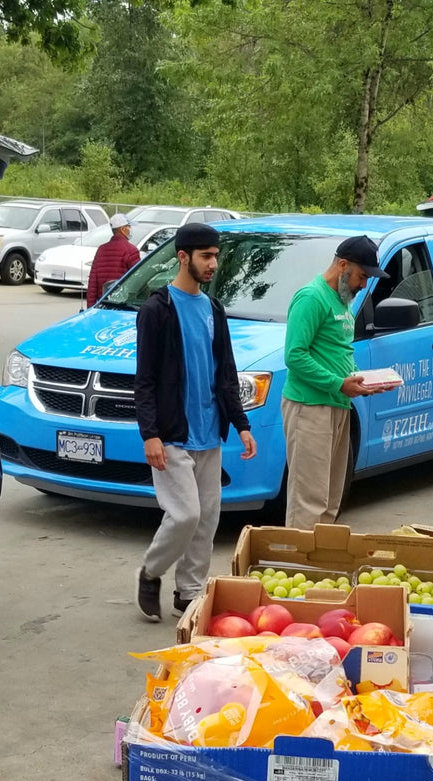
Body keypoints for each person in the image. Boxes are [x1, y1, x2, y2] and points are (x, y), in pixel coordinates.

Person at [134, 222, 257, 621]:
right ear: (182, 257)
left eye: (216, 256)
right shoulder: (157, 310)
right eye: (205, 256)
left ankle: (188, 593)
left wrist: (241, 424)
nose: (213, 263)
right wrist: (150, 433)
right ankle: (151, 572)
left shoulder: (213, 309)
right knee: (185, 514)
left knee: (207, 518)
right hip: (172, 434)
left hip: (210, 432)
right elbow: (145, 379)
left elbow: (226, 372)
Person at [281, 235, 390, 530]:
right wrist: (339, 383)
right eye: (361, 276)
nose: (363, 284)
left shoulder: (343, 302)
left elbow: (340, 351)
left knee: (330, 498)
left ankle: (320, 566)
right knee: (309, 499)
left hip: (337, 403)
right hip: (310, 406)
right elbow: (295, 356)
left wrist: (360, 379)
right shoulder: (311, 297)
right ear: (343, 265)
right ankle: (298, 567)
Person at [86, 213, 141, 308]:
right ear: (122, 229)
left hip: (103, 303)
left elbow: (93, 282)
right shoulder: (131, 250)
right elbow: (138, 280)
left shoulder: (101, 249)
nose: (130, 229)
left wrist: (90, 307)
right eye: (128, 226)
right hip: (123, 304)